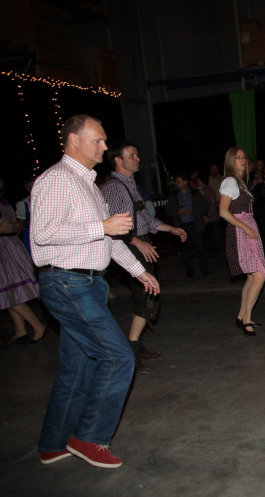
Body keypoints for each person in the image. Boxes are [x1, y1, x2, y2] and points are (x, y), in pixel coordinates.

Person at [31, 114, 159, 468]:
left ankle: (53, 443)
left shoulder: (87, 183)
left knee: (77, 367)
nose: (104, 147)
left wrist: (139, 271)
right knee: (118, 357)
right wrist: (101, 225)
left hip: (86, 282)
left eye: (104, 141)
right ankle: (89, 437)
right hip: (67, 282)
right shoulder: (57, 179)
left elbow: (108, 238)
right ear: (74, 140)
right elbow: (43, 233)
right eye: (98, 140)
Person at [100, 141, 186, 373]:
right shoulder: (114, 188)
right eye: (132, 155)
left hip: (140, 242)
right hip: (128, 246)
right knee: (146, 298)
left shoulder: (130, 185)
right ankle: (132, 351)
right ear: (118, 160)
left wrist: (170, 229)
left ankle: (137, 347)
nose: (137, 159)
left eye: (137, 155)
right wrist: (136, 242)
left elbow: (145, 219)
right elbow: (113, 224)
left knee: (148, 297)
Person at [218, 147, 265, 336]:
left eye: (243, 157)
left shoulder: (240, 182)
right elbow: (223, 212)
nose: (242, 160)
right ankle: (246, 320)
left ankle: (242, 316)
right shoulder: (230, 181)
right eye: (237, 157)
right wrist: (245, 228)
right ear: (230, 161)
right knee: (259, 276)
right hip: (240, 232)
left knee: (252, 276)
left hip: (247, 230)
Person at [1, 178, 46, 346]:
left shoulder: (3, 203)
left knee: (8, 290)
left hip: (6, 247)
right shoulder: (9, 203)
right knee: (8, 292)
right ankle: (20, 331)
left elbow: (8, 227)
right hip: (10, 245)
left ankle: (38, 327)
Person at [166, 171, 210, 279]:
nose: (176, 184)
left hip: (195, 225)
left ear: (185, 182)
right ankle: (189, 272)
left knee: (201, 249)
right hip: (182, 226)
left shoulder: (195, 193)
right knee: (185, 250)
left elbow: (205, 206)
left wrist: (193, 212)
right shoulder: (174, 196)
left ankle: (205, 270)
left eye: (178, 181)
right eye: (176, 181)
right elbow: (168, 211)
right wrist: (177, 212)